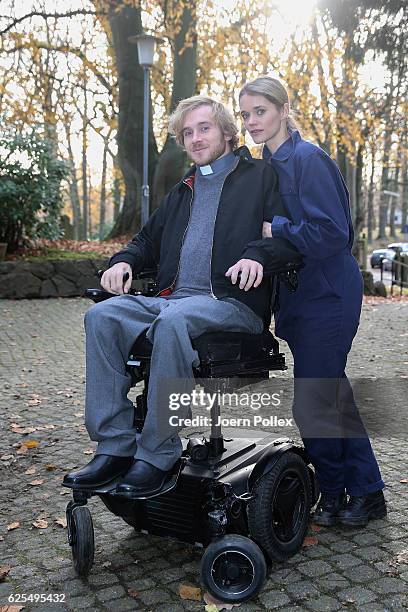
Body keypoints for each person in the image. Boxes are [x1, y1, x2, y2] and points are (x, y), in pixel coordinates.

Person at [63, 95, 300, 497]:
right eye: (187, 132)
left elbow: (288, 236)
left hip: (233, 304)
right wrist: (123, 262)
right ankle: (116, 446)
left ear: (226, 131)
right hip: (174, 299)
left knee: (174, 321)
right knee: (101, 317)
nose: (195, 138)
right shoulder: (183, 190)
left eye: (203, 127)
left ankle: (158, 453)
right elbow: (145, 241)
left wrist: (257, 255)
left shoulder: (261, 176)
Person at [239, 76, 386, 527]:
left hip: (329, 293)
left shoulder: (308, 159)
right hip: (301, 300)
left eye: (259, 112)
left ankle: (350, 490)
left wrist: (277, 229)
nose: (251, 123)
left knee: (316, 400)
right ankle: (357, 493)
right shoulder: (269, 165)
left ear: (283, 110)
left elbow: (332, 233)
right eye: (244, 115)